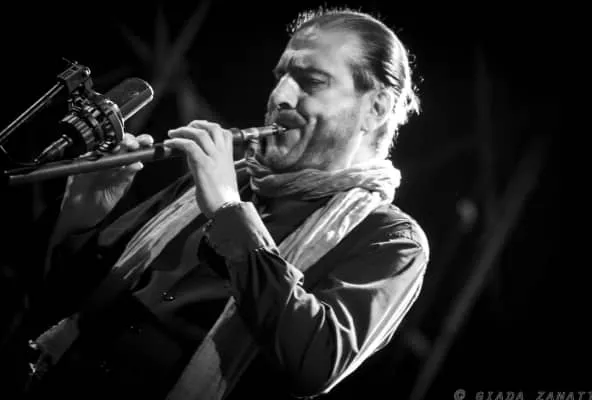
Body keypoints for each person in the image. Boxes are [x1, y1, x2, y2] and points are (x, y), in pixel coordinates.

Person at [10, 6, 429, 400]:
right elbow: (57, 301)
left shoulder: (392, 240)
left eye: (313, 81)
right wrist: (76, 219)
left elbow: (314, 362)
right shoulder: (223, 180)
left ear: (376, 107)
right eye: (281, 76)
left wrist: (230, 214)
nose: (280, 95)